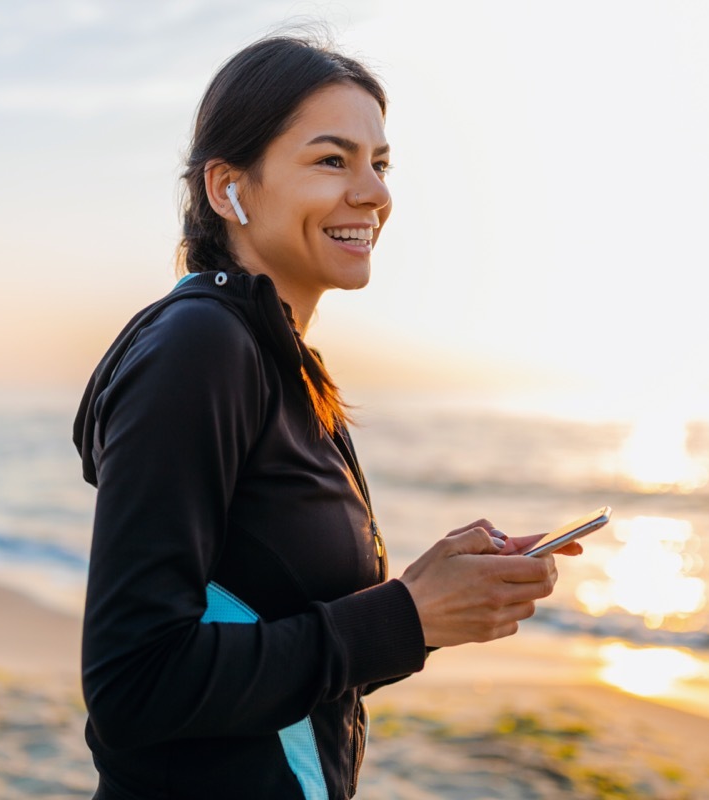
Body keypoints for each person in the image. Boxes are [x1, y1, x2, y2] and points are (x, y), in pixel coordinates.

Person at [72, 31, 580, 800]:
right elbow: (134, 684)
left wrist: (430, 597)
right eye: (331, 160)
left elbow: (284, 645)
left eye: (379, 164)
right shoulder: (201, 349)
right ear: (227, 188)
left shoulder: (279, 360)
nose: (373, 193)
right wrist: (403, 617)